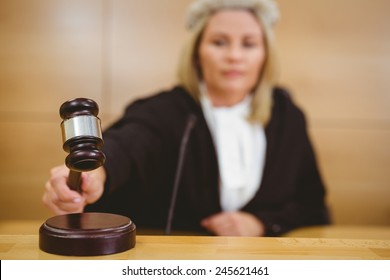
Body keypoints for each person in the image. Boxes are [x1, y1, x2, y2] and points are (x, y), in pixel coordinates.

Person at [43, 0, 330, 237]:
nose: (234, 56)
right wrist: (96, 173)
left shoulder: (287, 117)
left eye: (249, 44)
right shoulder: (164, 110)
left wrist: (261, 224)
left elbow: (311, 205)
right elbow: (128, 145)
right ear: (196, 53)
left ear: (265, 55)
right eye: (219, 42)